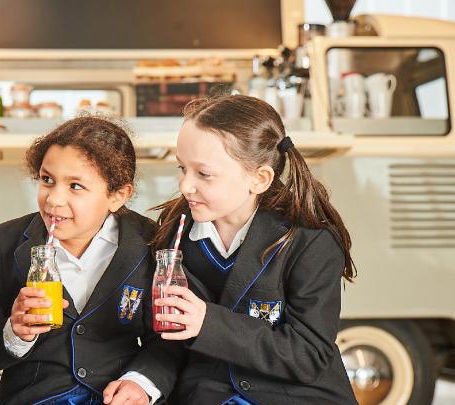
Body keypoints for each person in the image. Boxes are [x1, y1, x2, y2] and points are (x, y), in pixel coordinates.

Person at [151, 95, 357, 404]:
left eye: (203, 174)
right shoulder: (175, 229)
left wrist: (208, 323)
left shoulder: (310, 238)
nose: (184, 185)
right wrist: (140, 381)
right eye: (182, 168)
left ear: (259, 179)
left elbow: (308, 354)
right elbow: (166, 343)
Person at [0, 116, 182, 405]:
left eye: (75, 186)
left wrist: (140, 383)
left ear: (118, 196)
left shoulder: (150, 242)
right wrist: (14, 332)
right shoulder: (6, 241)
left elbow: (166, 341)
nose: (54, 200)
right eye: (47, 180)